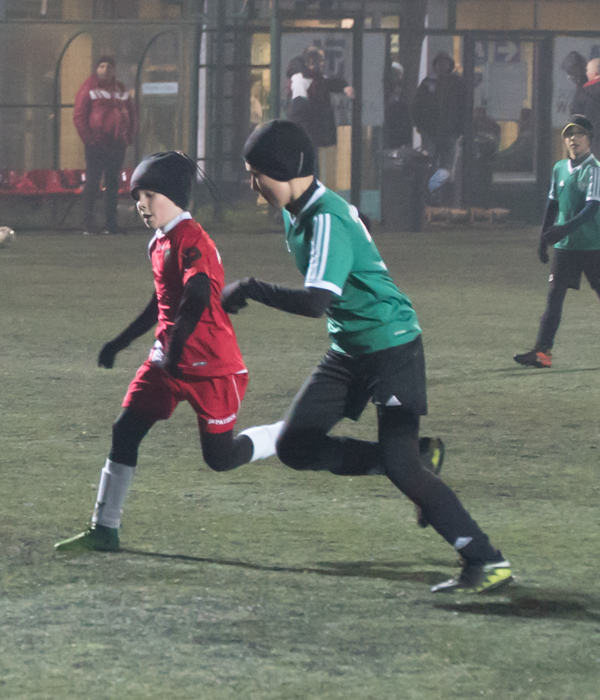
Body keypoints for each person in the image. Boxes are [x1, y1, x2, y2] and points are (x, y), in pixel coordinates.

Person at [221, 120, 513, 594]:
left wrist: (251, 287)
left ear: (289, 169)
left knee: (402, 468)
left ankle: (487, 560)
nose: (253, 185)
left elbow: (315, 302)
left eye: (259, 174)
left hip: (392, 346)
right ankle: (418, 457)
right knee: (295, 446)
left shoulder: (324, 218)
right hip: (350, 349)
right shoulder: (300, 210)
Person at [54, 152, 273, 552]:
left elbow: (198, 295)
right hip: (167, 358)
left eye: (149, 195)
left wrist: (177, 349)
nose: (140, 204)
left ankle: (281, 435)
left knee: (220, 458)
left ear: (173, 195)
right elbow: (163, 300)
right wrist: (122, 342)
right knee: (125, 430)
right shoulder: (159, 241)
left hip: (210, 364)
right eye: (137, 196)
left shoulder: (192, 239)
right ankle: (105, 528)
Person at [514, 115, 600, 369]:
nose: (573, 139)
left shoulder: (594, 169)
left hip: (593, 246)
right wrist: (543, 239)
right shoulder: (559, 168)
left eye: (579, 134)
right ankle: (542, 353)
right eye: (569, 134)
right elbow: (552, 205)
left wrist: (564, 230)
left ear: (590, 139)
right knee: (554, 298)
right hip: (565, 248)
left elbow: (592, 208)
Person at [73, 56, 138, 236]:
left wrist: (129, 136)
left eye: (109, 67)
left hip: (117, 143)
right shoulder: (88, 88)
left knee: (112, 183)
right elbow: (80, 115)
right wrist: (89, 139)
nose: (105, 70)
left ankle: (111, 224)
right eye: (102, 66)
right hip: (96, 142)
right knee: (93, 182)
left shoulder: (121, 89)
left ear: (113, 70)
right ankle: (88, 224)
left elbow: (132, 113)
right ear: (96, 69)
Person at [301, 46, 355, 173]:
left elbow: (332, 83)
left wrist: (345, 87)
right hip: (306, 128)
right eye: (310, 58)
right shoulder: (302, 79)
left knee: (316, 163)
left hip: (317, 129)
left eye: (316, 59)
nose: (312, 61)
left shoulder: (322, 80)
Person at [413, 52, 468, 171]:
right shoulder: (427, 83)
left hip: (450, 131)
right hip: (430, 131)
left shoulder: (456, 83)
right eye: (439, 63)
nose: (442, 66)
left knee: (446, 165)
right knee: (429, 163)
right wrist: (421, 127)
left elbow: (463, 106)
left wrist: (459, 129)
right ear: (435, 65)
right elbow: (417, 105)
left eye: (445, 63)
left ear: (449, 65)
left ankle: (444, 181)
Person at [569, 57, 600, 131]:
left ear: (596, 74)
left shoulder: (584, 92)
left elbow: (576, 117)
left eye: (588, 71)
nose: (586, 74)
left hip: (591, 135)